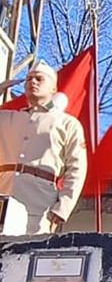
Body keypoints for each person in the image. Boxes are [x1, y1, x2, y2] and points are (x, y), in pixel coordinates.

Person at [0, 61, 86, 234]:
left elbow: (77, 168)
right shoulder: (6, 118)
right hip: (3, 190)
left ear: (53, 88)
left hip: (40, 201)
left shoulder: (67, 123)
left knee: (28, 248)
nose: (32, 82)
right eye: (29, 79)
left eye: (39, 79)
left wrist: (63, 207)